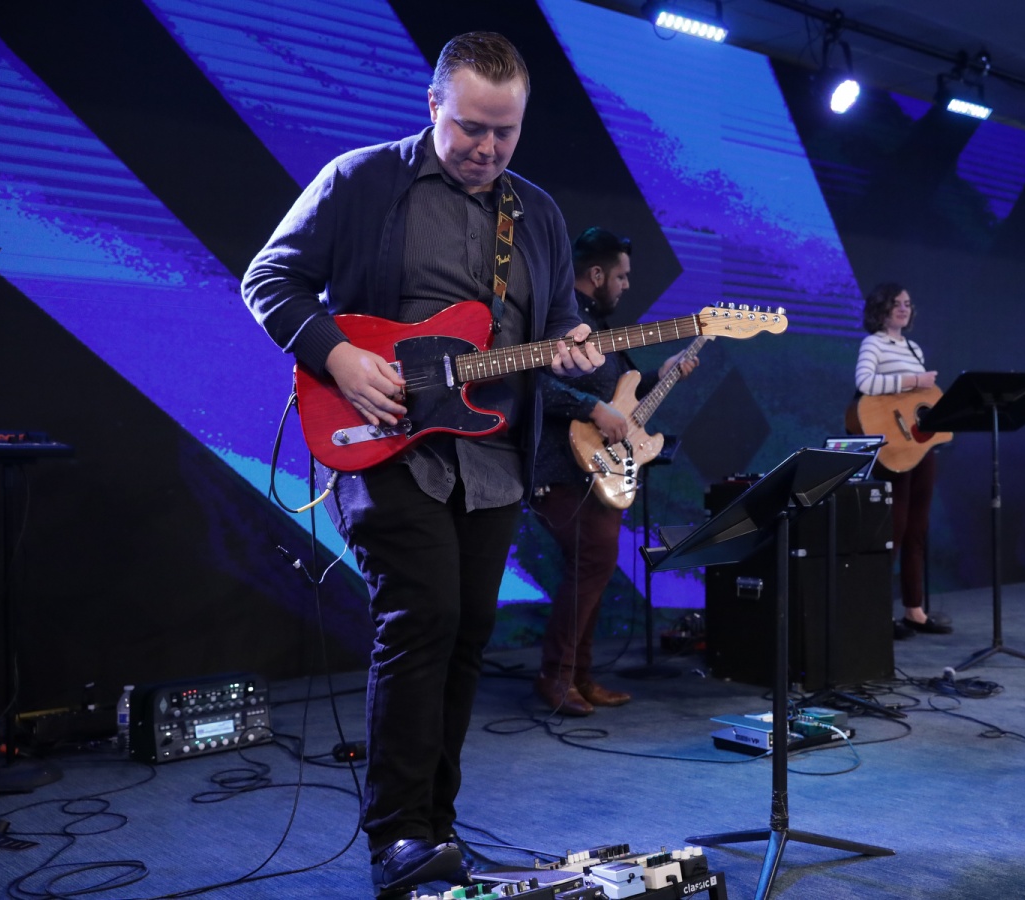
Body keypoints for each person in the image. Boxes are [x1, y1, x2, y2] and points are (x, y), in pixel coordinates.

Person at [241, 32, 603, 898]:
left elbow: (557, 324)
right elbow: (269, 279)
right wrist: (337, 357)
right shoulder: (361, 180)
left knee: (470, 630)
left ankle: (435, 827)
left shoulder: (538, 213)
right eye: (472, 126)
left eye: (505, 132)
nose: (487, 147)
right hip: (384, 442)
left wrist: (574, 347)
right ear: (433, 104)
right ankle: (397, 835)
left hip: (492, 458)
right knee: (423, 617)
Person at [530, 227, 698, 716]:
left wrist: (662, 374)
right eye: (621, 276)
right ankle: (557, 676)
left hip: (596, 471)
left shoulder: (600, 328)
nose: (627, 285)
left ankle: (578, 676)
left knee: (595, 565)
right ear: (597, 274)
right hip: (559, 468)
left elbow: (619, 398)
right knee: (592, 561)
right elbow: (532, 386)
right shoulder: (561, 320)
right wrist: (590, 407)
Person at [854, 282, 953, 639]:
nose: (903, 308)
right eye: (896, 303)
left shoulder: (913, 347)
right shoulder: (873, 344)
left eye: (907, 304)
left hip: (919, 445)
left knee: (917, 530)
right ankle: (877, 612)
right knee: (893, 530)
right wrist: (913, 379)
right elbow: (865, 383)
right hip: (893, 447)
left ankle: (915, 610)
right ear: (880, 308)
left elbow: (911, 403)